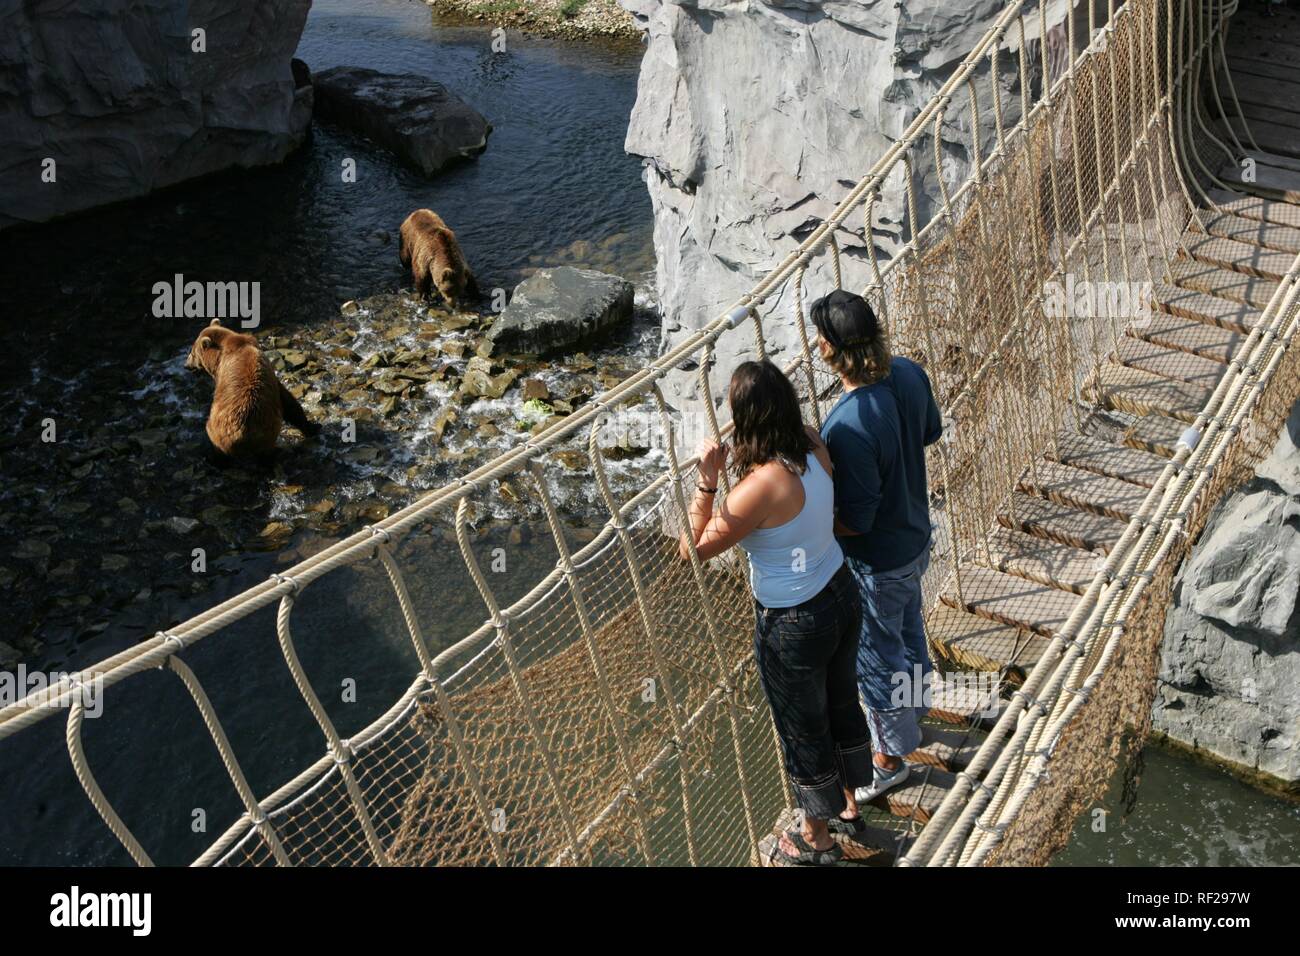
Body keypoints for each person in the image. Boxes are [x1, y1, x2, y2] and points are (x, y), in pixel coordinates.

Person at [679, 359, 872, 865]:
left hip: (794, 622)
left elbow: (691, 550)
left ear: (745, 419)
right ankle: (849, 806)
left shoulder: (760, 486)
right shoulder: (811, 440)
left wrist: (707, 482)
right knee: (840, 700)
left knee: (802, 726)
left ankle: (817, 839)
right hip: (840, 592)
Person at [811, 289, 943, 804]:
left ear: (827, 348)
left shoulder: (847, 424)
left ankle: (888, 761)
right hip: (915, 539)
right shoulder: (908, 372)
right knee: (910, 632)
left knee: (876, 657)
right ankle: (914, 718)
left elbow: (858, 520)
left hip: (877, 561)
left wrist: (810, 526)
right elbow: (928, 431)